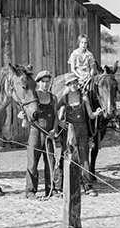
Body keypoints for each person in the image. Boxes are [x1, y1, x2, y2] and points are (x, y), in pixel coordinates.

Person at [58, 73, 100, 200]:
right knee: (68, 157)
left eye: (75, 83)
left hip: (82, 130)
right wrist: (60, 122)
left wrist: (96, 113)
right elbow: (59, 115)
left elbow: (90, 115)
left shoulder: (84, 97)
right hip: (69, 131)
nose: (73, 85)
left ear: (78, 83)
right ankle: (63, 186)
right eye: (70, 84)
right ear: (67, 85)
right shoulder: (64, 98)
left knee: (84, 157)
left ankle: (87, 185)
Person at [25, 70, 58, 198]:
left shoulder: (53, 98)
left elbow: (55, 117)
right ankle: (31, 190)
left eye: (47, 82)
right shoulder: (34, 97)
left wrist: (54, 130)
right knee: (32, 162)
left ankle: (51, 189)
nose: (45, 84)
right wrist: (23, 116)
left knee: (50, 161)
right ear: (38, 83)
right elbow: (26, 112)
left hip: (49, 135)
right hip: (35, 133)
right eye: (43, 82)